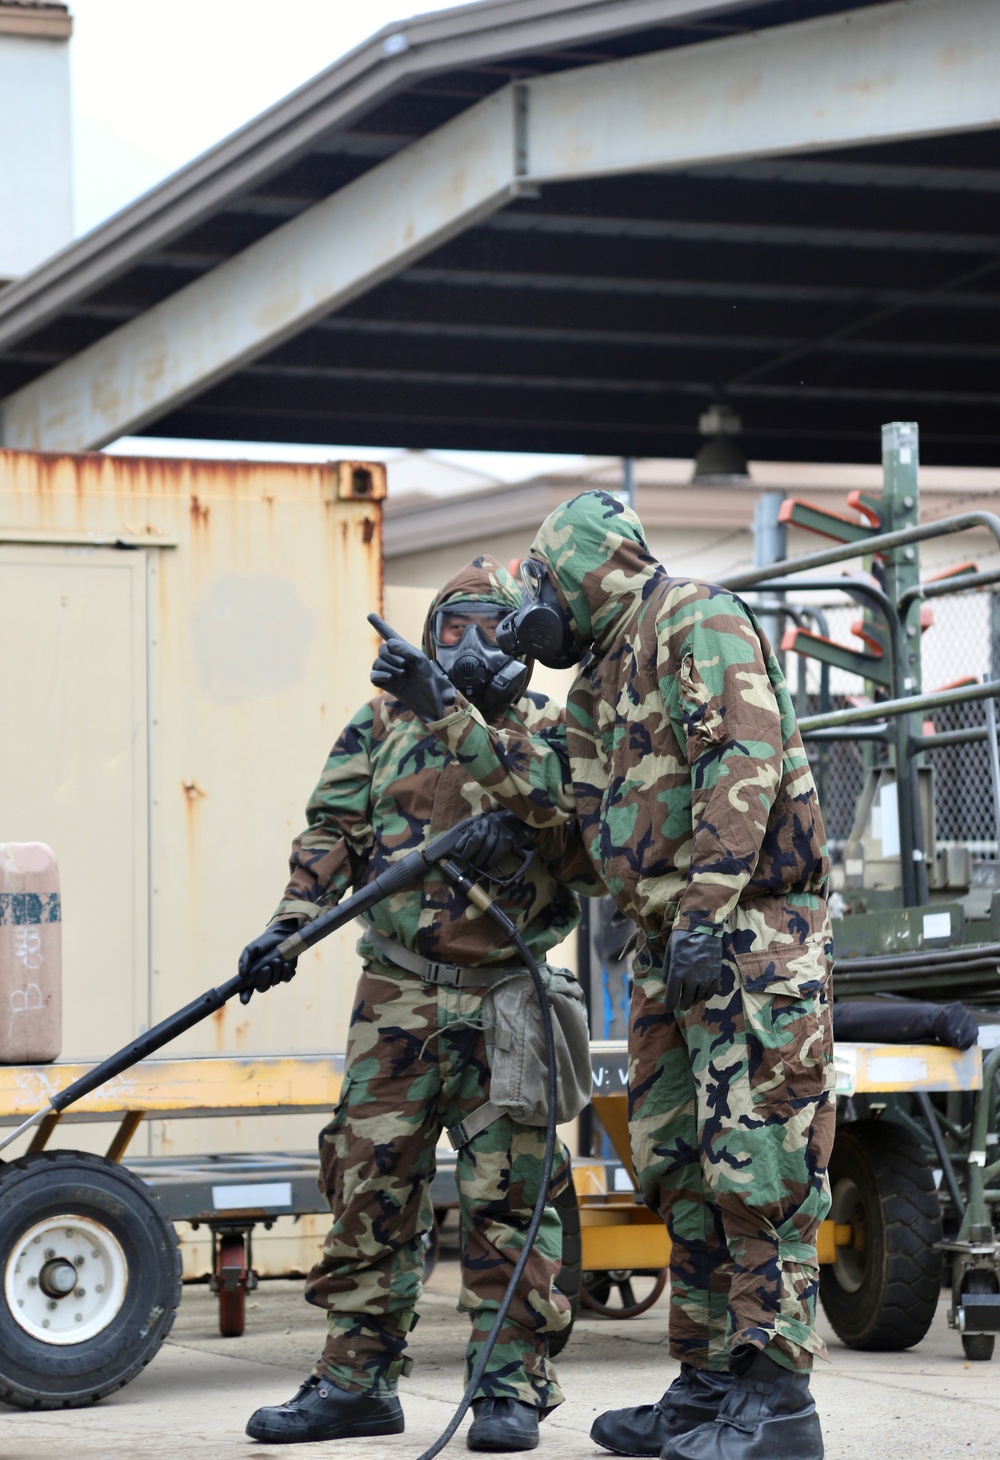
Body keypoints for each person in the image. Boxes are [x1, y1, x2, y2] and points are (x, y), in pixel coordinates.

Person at [373, 492, 834, 1460]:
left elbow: (738, 764)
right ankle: (711, 1381)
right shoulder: (594, 688)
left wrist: (707, 912)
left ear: (584, 568)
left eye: (540, 586)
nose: (532, 611)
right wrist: (456, 714)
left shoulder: (692, 618)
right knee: (679, 1166)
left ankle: (778, 1400)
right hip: (668, 948)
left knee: (760, 1167)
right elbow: (560, 810)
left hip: (746, 936)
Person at [241, 556, 594, 1452]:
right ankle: (357, 1382)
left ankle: (509, 1388)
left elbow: (567, 819)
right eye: (450, 629)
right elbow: (331, 829)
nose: (468, 646)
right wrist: (289, 922)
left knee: (512, 1200)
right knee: (369, 1190)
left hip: (509, 998)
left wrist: (465, 718)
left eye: (489, 628)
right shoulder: (380, 725)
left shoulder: (549, 731)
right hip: (396, 993)